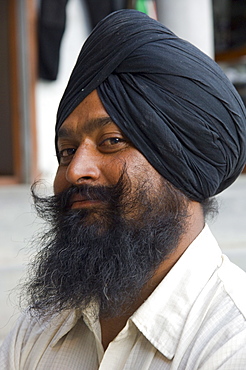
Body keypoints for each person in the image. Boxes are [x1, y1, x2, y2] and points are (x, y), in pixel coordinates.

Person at [1, 9, 246, 370]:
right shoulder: (39, 328)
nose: (75, 171)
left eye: (112, 141)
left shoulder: (232, 342)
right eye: (66, 151)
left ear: (179, 163)